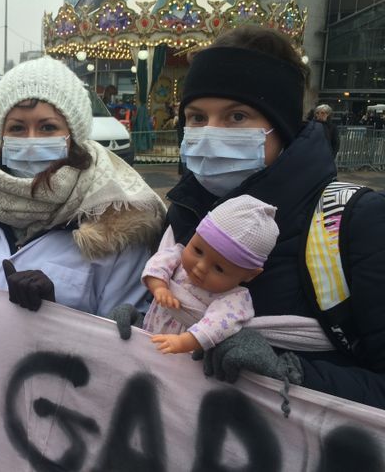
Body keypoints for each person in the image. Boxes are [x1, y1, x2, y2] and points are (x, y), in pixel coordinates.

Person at [116, 25, 385, 409]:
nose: (210, 134)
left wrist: (290, 374)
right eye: (196, 117)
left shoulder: (356, 224)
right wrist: (139, 330)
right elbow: (179, 310)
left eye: (237, 117)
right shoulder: (184, 212)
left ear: (284, 128)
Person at [0, 56, 166, 316]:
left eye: (48, 127)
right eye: (17, 128)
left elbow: (122, 341)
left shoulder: (117, 226)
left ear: (73, 135)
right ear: (1, 136)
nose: (31, 140)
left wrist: (55, 314)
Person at [144, 195, 278, 355]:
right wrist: (159, 287)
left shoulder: (235, 299)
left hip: (183, 357)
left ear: (250, 275)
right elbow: (157, 264)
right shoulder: (177, 256)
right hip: (148, 335)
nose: (200, 267)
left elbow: (218, 325)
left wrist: (183, 342)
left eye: (219, 268)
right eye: (198, 250)